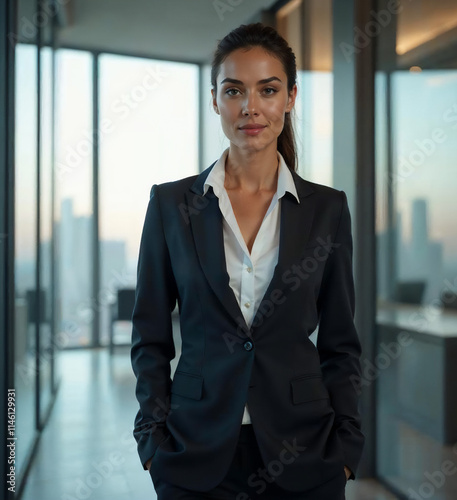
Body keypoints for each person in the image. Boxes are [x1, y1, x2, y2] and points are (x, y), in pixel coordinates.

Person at [131, 22, 365, 500]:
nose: (250, 107)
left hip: (306, 452)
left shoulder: (327, 209)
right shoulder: (171, 206)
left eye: (268, 89)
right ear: (215, 99)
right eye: (234, 90)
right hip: (192, 452)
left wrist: (346, 449)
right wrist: (152, 443)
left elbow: (341, 344)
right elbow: (150, 338)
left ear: (291, 98)